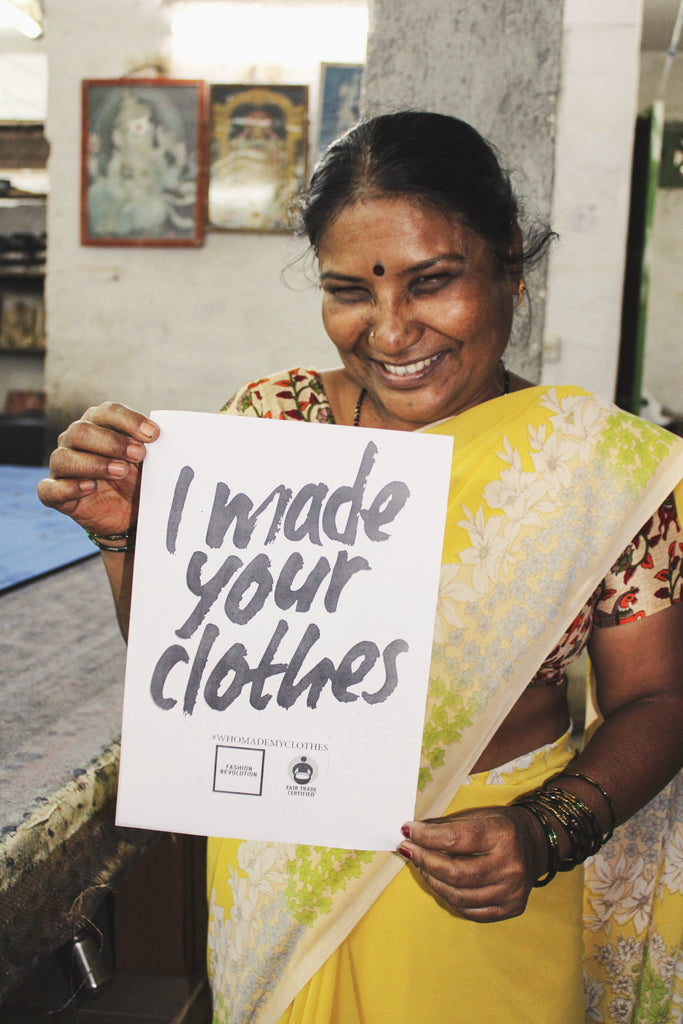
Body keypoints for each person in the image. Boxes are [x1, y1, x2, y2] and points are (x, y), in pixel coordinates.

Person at [38, 111, 683, 1024]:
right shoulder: (273, 426)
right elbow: (202, 673)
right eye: (349, 291)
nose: (389, 332)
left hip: (484, 885)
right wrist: (123, 536)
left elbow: (657, 701)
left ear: (508, 263)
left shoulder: (598, 470)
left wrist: (542, 832)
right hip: (282, 881)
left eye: (434, 282)